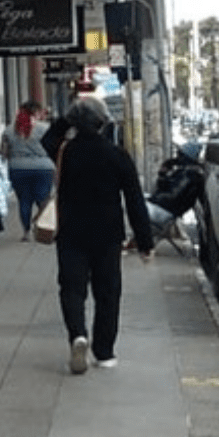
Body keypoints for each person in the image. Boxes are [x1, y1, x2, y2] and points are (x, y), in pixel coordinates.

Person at [52, 94, 154, 373]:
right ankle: (104, 351)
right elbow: (134, 200)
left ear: (74, 122)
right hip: (108, 234)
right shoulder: (117, 155)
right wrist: (144, 241)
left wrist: (68, 118)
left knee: (72, 288)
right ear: (103, 123)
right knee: (108, 291)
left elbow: (48, 138)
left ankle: (78, 334)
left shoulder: (65, 151)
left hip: (71, 231)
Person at [0, 99, 55, 239]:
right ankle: (43, 228)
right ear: (36, 112)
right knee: (43, 200)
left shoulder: (9, 130)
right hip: (43, 168)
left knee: (24, 200)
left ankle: (26, 232)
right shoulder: (46, 128)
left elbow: (3, 153)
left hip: (18, 168)